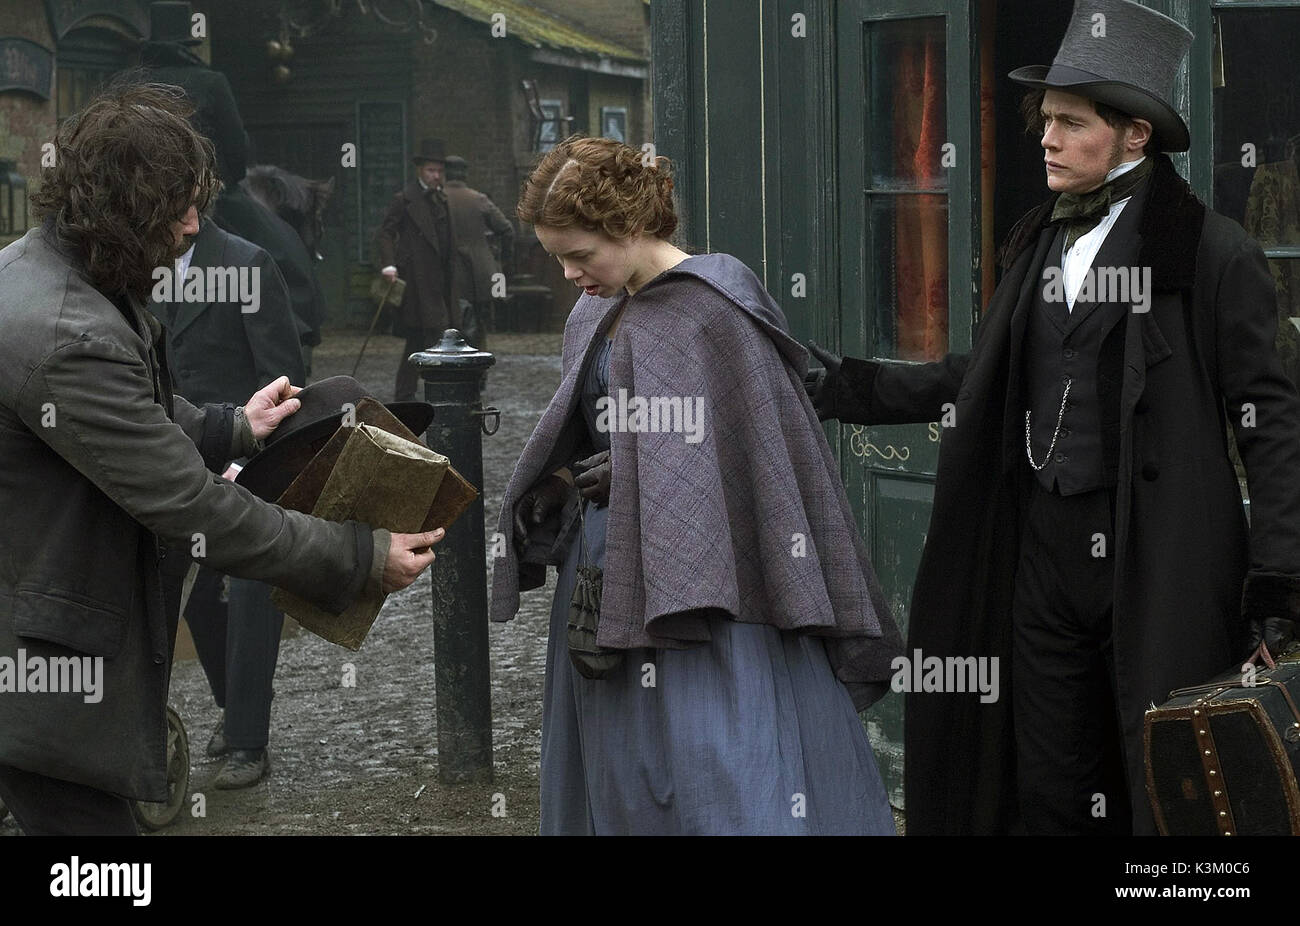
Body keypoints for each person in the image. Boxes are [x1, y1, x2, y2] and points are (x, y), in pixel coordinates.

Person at [806, 0, 1300, 836]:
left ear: (1135, 134)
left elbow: (1273, 424)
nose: (1047, 138)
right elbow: (983, 373)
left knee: (1163, 778)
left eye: (1072, 123)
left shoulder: (1213, 254)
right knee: (1048, 774)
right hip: (1042, 549)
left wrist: (1277, 586)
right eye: (1047, 121)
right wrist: (843, 385)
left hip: (1161, 556)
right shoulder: (1037, 240)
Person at [0, 80, 443, 836]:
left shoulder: (42, 269)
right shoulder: (68, 327)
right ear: (123, 211)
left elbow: (131, 411)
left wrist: (233, 427)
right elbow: (192, 506)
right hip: (40, 664)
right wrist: (358, 554)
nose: (193, 225)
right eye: (177, 209)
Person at [490, 135, 903, 835]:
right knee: (616, 771)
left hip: (712, 590)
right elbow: (588, 427)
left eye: (580, 254)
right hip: (608, 581)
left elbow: (755, 456)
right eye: (556, 256)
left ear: (627, 226)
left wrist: (647, 466)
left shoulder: (716, 311)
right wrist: (563, 482)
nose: (568, 273)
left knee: (722, 763)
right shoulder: (594, 313)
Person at [148, 217, 305, 789]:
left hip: (249, 461)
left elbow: (284, 376)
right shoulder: (134, 265)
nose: (185, 220)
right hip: (175, 465)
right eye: (173, 207)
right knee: (194, 598)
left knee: (250, 597)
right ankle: (228, 705)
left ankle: (247, 741)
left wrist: (250, 455)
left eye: (193, 203)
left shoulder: (248, 264)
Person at [138, 0, 328, 361]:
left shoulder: (130, 83)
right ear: (189, 43)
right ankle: (300, 327)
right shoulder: (211, 81)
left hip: (136, 196)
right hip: (206, 193)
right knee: (283, 247)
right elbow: (237, 155)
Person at [376, 139, 457, 401]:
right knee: (424, 335)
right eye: (431, 171)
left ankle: (416, 391)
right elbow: (385, 233)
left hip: (439, 278)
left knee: (432, 335)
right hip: (416, 280)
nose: (435, 176)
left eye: (439, 171)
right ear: (419, 171)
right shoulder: (404, 199)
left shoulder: (441, 198)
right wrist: (389, 264)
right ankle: (417, 392)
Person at [443, 154, 515, 350]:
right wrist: (502, 261)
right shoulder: (478, 199)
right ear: (465, 174)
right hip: (480, 274)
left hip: (446, 274)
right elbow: (507, 229)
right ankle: (477, 372)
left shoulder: (436, 199)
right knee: (478, 327)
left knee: (446, 325)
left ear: (444, 174)